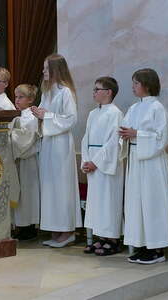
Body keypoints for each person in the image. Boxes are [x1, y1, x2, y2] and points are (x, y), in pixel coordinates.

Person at [119, 68, 168, 264]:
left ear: (147, 85)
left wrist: (138, 134)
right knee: (137, 202)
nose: (133, 87)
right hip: (136, 159)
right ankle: (142, 245)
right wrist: (124, 135)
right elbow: (125, 130)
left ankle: (157, 249)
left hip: (152, 162)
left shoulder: (157, 108)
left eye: (136, 83)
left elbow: (163, 138)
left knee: (152, 202)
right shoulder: (133, 108)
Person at [31, 54, 82, 248]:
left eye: (46, 68)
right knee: (50, 187)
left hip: (60, 144)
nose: (43, 71)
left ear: (55, 70)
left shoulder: (65, 92)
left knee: (61, 186)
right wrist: (38, 115)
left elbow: (70, 119)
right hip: (48, 144)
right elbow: (45, 116)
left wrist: (47, 115)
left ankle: (68, 231)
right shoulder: (47, 92)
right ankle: (55, 229)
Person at [81, 77, 124, 256]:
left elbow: (113, 142)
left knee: (108, 202)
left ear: (108, 92)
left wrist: (96, 162)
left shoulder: (115, 113)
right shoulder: (93, 113)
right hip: (92, 162)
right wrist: (85, 160)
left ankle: (113, 240)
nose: (94, 92)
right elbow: (86, 139)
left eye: (97, 89)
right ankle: (101, 238)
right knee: (97, 203)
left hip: (106, 164)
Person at [10, 84, 40, 240]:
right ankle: (19, 225)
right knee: (19, 194)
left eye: (21, 97)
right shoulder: (17, 116)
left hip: (27, 160)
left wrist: (9, 135)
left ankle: (28, 226)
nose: (17, 100)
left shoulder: (32, 116)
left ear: (30, 100)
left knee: (27, 194)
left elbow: (26, 138)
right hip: (18, 160)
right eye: (16, 96)